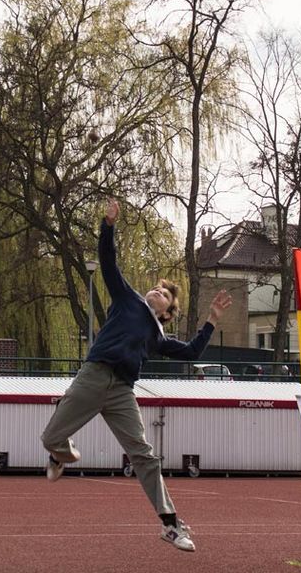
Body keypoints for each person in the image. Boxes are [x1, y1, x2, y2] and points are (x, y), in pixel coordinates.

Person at [40, 199, 231, 553]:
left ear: (167, 313)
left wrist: (212, 320)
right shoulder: (129, 299)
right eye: (156, 288)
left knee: (144, 455)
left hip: (121, 392)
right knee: (50, 436)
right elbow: (109, 263)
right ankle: (61, 454)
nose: (156, 292)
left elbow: (190, 354)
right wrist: (108, 225)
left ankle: (171, 524)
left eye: (163, 295)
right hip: (94, 376)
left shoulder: (158, 336)